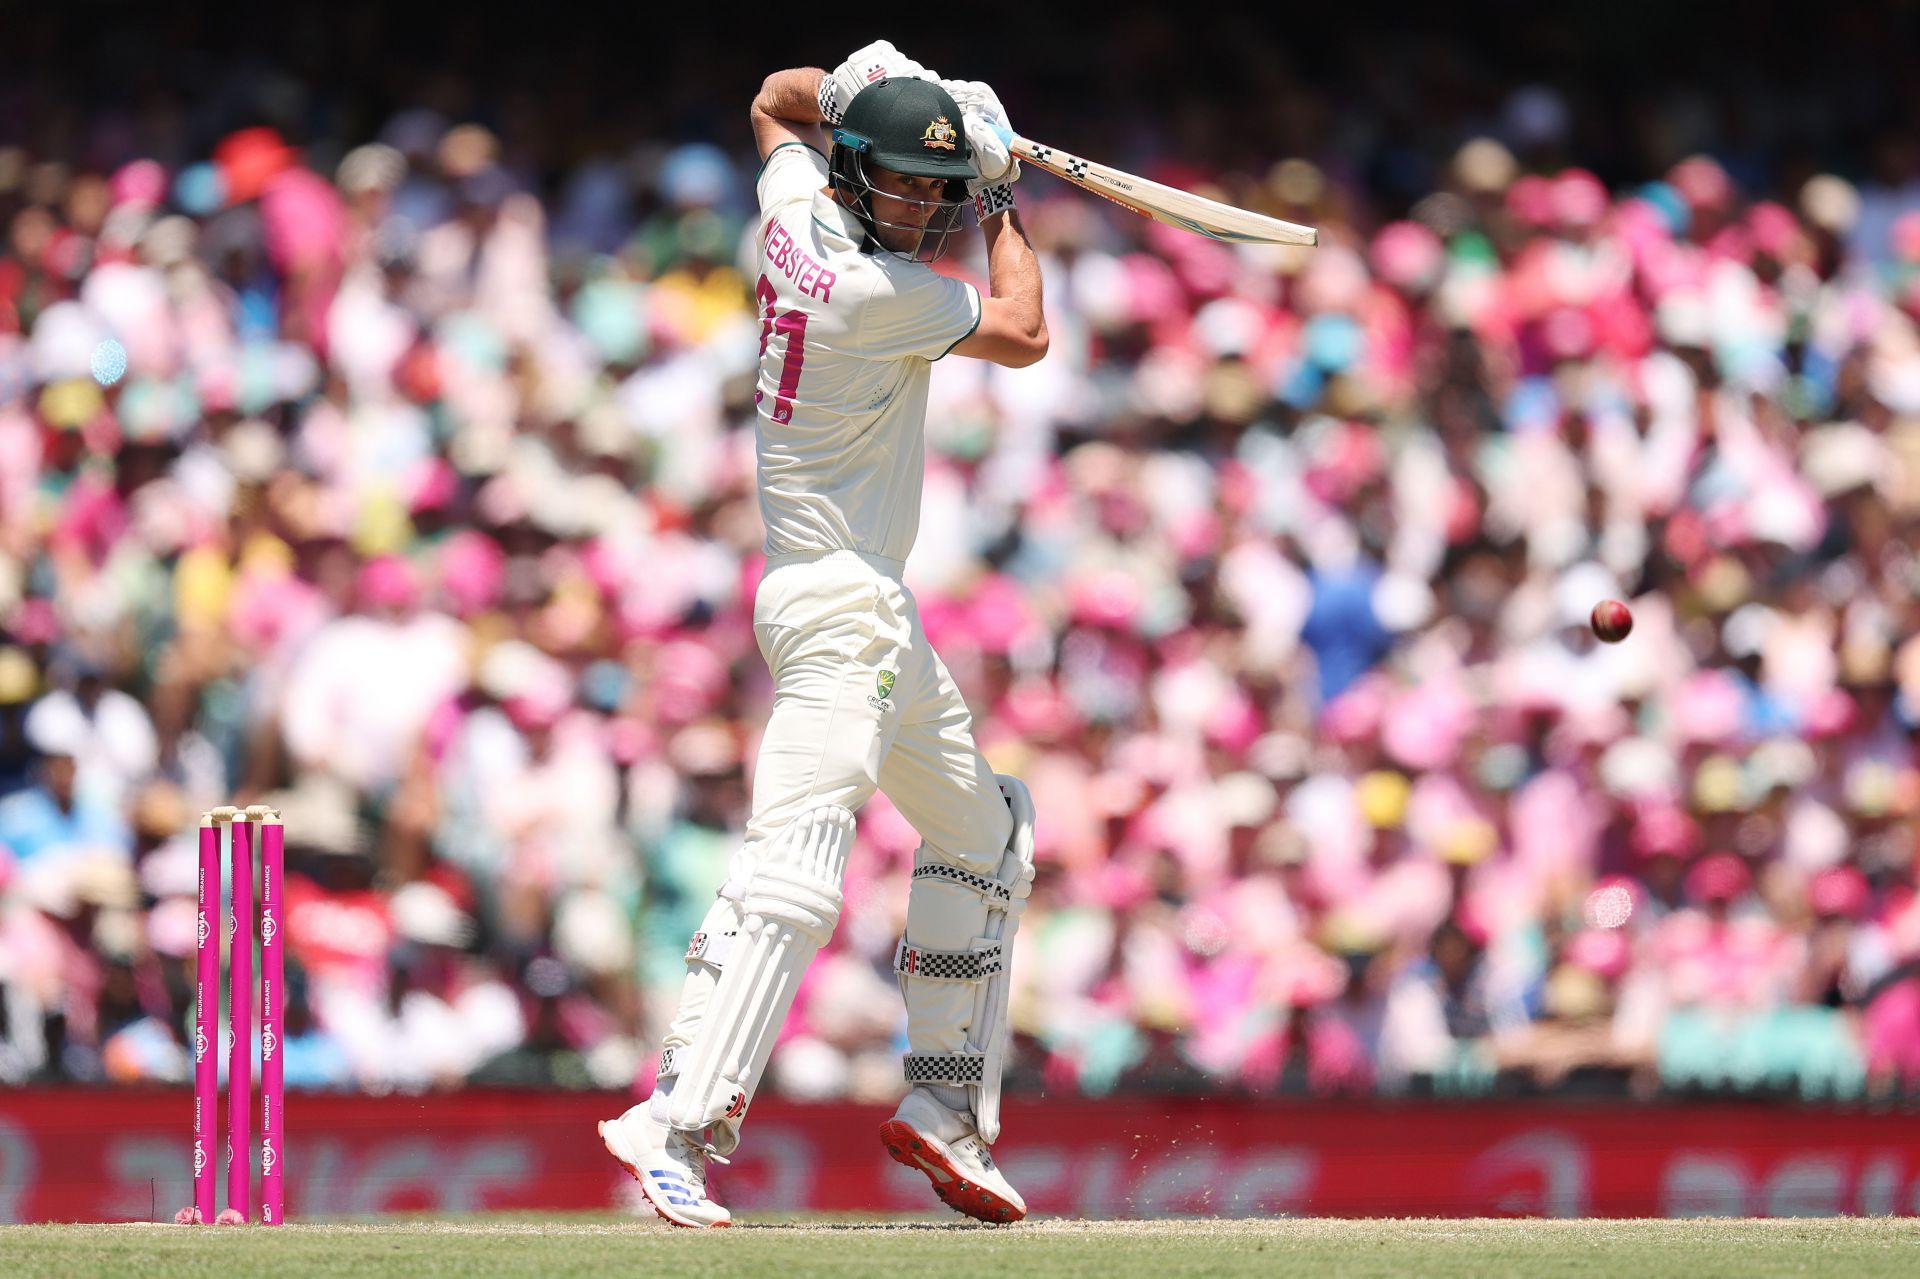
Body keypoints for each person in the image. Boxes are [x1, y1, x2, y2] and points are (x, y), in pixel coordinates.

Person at [597, 41, 1047, 1227]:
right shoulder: (869, 293)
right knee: (799, 867)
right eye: (908, 186)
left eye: (937, 191)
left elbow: (771, 97)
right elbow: (1024, 328)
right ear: (855, 179)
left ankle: (949, 1110)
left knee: (985, 829)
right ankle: (676, 1122)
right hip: (834, 603)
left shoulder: (797, 208)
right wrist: (1002, 197)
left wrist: (908, 112)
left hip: (870, 608)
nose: (928, 207)